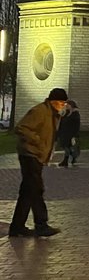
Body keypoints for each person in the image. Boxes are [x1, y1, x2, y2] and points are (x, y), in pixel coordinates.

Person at [8, 88, 67, 237]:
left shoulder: (53, 114)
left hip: (37, 156)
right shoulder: (40, 111)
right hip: (30, 155)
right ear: (54, 102)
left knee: (28, 192)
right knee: (36, 189)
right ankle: (41, 224)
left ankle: (17, 227)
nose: (63, 106)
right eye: (61, 103)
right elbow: (21, 128)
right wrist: (38, 142)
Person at [57, 100, 81, 167]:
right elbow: (61, 122)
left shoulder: (75, 114)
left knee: (69, 147)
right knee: (66, 147)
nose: (66, 106)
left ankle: (66, 160)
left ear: (71, 105)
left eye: (68, 104)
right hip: (64, 133)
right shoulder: (66, 113)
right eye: (66, 105)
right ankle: (72, 158)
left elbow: (77, 125)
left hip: (70, 134)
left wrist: (75, 135)